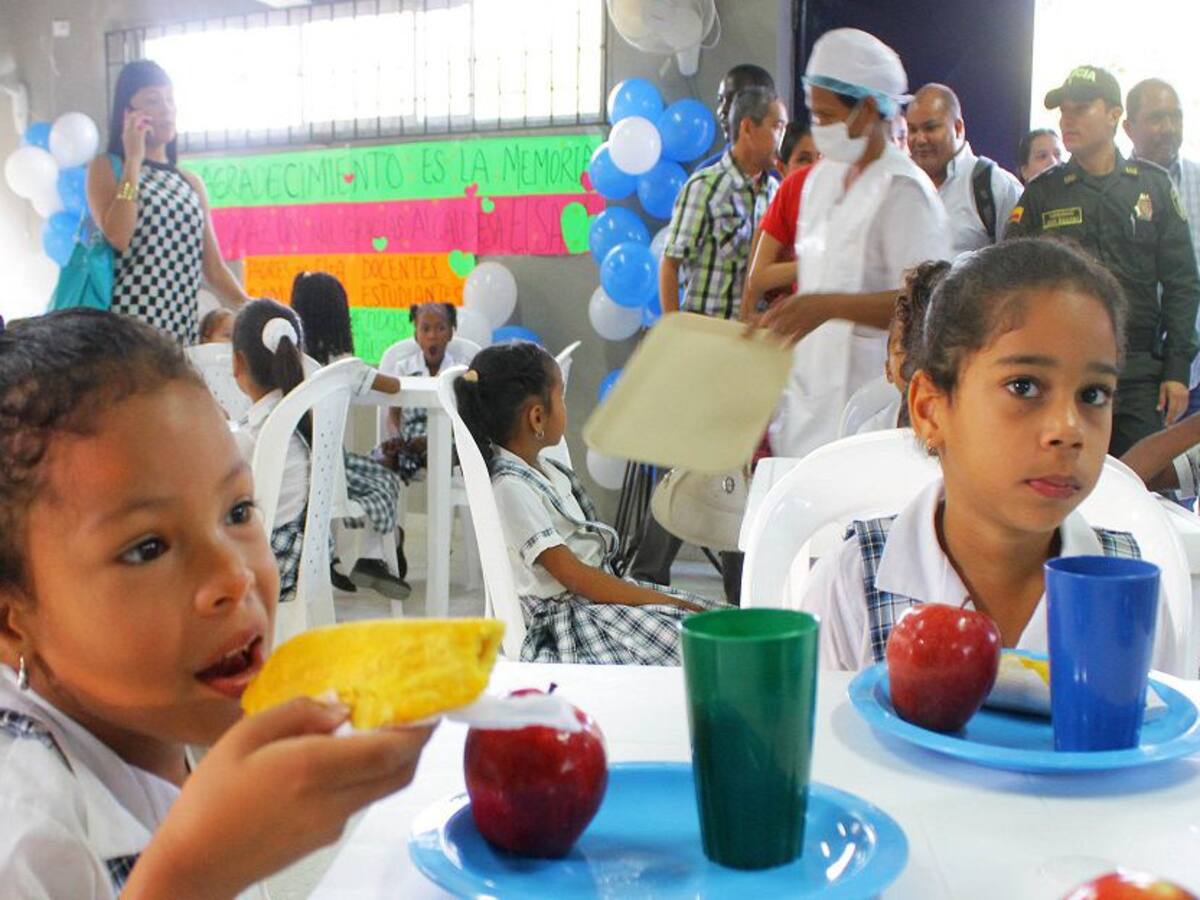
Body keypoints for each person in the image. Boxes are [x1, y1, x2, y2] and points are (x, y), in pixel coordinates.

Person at [0, 309, 431, 897]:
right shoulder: (23, 832)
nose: (234, 576)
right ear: (10, 620)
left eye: (238, 511)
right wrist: (192, 874)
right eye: (148, 547)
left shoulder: (149, 724)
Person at [803, 239, 1176, 671]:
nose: (1069, 430)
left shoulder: (1128, 588)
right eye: (1024, 386)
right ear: (929, 409)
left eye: (1093, 394)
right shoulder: (853, 586)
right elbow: (824, 738)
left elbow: (1156, 734)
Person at [453, 342, 723, 665]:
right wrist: (661, 600)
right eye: (561, 397)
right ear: (537, 417)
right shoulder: (510, 488)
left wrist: (660, 600)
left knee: (716, 622)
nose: (565, 407)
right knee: (700, 645)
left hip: (594, 597)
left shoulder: (542, 469)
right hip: (576, 618)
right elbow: (577, 577)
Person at [759, 28, 949, 459]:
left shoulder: (904, 190)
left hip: (870, 410)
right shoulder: (821, 182)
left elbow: (926, 306)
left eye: (826, 117)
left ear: (866, 108)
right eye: (815, 114)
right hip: (806, 404)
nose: (819, 127)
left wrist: (828, 306)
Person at [632, 86, 785, 604]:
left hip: (748, 358)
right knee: (690, 471)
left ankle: (741, 597)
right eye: (777, 125)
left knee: (736, 476)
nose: (781, 135)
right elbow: (672, 261)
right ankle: (648, 580)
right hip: (704, 352)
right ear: (748, 128)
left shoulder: (773, 190)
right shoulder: (706, 186)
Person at [1006, 65, 1200, 455]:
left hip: (1140, 374)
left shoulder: (1153, 186)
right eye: (1063, 111)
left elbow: (1182, 282)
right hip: (1062, 370)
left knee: (1143, 491)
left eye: (1080, 109)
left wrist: (1177, 372)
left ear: (1114, 115)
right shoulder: (1043, 193)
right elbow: (1010, 283)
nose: (1068, 120)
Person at [230, 299, 400, 602]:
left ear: (237, 363)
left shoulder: (250, 438)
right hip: (307, 558)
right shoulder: (303, 419)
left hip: (265, 568)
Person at [86, 60, 249, 345]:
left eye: (170, 100)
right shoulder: (108, 167)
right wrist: (133, 160)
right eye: (153, 101)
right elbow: (118, 235)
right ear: (128, 113)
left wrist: (253, 308)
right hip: (127, 331)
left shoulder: (190, 182)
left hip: (179, 331)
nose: (166, 110)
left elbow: (213, 268)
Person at [290, 272, 408, 597]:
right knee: (387, 479)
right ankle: (371, 555)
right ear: (340, 316)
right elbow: (394, 386)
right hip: (331, 473)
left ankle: (329, 558)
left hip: (294, 472)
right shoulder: (344, 366)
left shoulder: (288, 362)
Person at [1123, 78, 1200, 417]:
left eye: (1176, 117)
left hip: (1194, 369)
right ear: (1128, 127)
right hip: (1133, 369)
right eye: (1156, 118)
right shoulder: (1112, 187)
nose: (1169, 128)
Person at [906, 84, 1023, 254]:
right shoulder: (901, 186)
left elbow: (1021, 265)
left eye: (930, 128)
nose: (920, 139)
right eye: (912, 129)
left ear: (958, 128)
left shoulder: (996, 187)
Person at [852, 259, 952, 435]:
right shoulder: (870, 432)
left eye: (925, 349)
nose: (911, 364)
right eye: (901, 351)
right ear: (887, 371)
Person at [692, 64, 777, 171]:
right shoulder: (706, 176)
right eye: (720, 100)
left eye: (734, 101)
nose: (722, 110)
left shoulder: (789, 170)